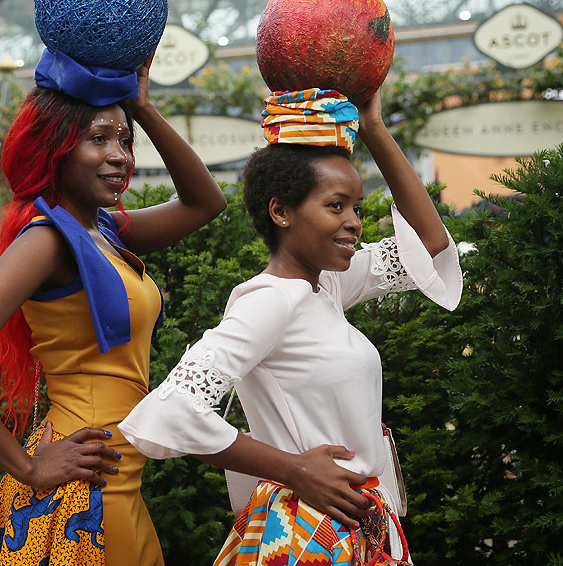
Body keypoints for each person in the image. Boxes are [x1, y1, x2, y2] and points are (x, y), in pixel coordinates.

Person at [120, 87, 463, 565]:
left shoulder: (329, 286)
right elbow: (172, 411)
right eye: (336, 205)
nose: (355, 224)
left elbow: (428, 245)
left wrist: (373, 127)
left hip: (355, 528)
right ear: (280, 212)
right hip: (306, 534)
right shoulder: (269, 300)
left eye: (358, 209)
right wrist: (295, 469)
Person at [0, 47, 226, 565]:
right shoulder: (48, 239)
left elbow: (204, 203)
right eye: (98, 139)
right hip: (88, 485)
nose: (119, 155)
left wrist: (143, 108)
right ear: (55, 148)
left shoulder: (102, 230)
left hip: (117, 473)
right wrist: (28, 466)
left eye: (125, 141)